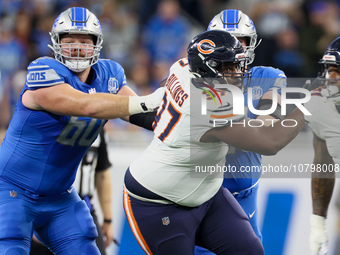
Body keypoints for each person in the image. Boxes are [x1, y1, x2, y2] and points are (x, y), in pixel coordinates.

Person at [123, 29, 306, 255]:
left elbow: (154, 105)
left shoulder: (181, 68)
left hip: (205, 192)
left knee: (250, 250)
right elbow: (270, 142)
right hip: (158, 201)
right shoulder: (207, 106)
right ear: (207, 68)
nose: (237, 73)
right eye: (228, 67)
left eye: (236, 65)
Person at [0, 7, 164, 255]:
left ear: (97, 44)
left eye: (84, 41)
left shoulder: (109, 76)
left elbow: (144, 115)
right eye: (69, 41)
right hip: (12, 191)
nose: (77, 48)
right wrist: (149, 100)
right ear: (56, 43)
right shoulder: (43, 71)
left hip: (59, 197)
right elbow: (86, 104)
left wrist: (185, 116)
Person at [195, 10, 287, 254]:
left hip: (244, 196)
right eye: (226, 40)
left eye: (241, 41)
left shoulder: (268, 77)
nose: (234, 48)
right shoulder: (193, 79)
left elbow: (267, 126)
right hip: (200, 196)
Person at [30, 130, 114, 255]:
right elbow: (25, 169)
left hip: (84, 208)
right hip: (47, 210)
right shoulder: (46, 120)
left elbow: (102, 173)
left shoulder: (97, 125)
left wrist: (108, 219)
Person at [303, 36, 340, 255]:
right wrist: (318, 223)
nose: (331, 78)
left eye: (339, 71)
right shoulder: (325, 107)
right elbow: (323, 163)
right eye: (329, 70)